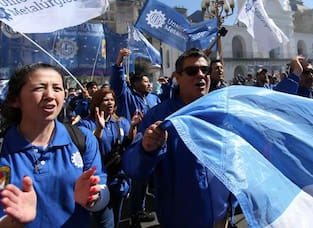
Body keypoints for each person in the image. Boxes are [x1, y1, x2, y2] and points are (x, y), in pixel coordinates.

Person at [122, 48, 235, 228]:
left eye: (205, 70)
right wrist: (146, 149)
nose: (200, 75)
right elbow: (133, 167)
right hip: (181, 221)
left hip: (223, 219)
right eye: (192, 71)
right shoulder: (158, 117)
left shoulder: (222, 112)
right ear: (177, 77)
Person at [0, 63, 109, 227]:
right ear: (15, 99)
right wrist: (12, 223)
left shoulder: (82, 139)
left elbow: (102, 193)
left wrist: (92, 198)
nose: (50, 95)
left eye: (57, 88)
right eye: (39, 88)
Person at [110, 48, 160, 226]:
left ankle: (141, 208)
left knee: (146, 180)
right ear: (135, 83)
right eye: (145, 81)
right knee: (136, 180)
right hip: (133, 144)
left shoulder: (154, 99)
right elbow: (117, 83)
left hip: (153, 145)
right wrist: (119, 61)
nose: (149, 84)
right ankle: (132, 214)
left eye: (149, 81)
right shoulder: (127, 97)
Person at [77, 89, 138, 228]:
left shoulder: (121, 122)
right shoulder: (86, 124)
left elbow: (126, 147)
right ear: (97, 103)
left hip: (118, 180)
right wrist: (99, 130)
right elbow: (87, 149)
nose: (109, 102)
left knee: (116, 218)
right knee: (106, 223)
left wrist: (132, 129)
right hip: (100, 181)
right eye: (105, 99)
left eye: (112, 99)